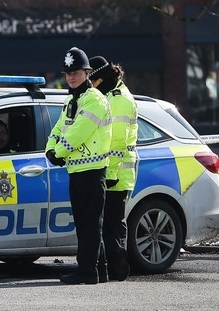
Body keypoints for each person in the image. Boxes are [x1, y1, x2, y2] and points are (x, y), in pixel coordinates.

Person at [45, 47, 112, 285]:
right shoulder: (72, 100)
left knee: (89, 225)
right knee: (87, 223)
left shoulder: (94, 100)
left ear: (87, 73)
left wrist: (59, 151)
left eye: (76, 72)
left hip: (92, 172)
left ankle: (86, 271)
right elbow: (58, 128)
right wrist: (49, 150)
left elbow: (78, 132)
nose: (71, 77)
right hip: (77, 171)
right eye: (68, 73)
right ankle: (100, 270)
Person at [89, 56, 139, 282]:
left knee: (113, 226)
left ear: (104, 78)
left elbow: (117, 143)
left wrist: (109, 175)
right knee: (108, 224)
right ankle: (109, 269)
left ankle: (118, 271)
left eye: (95, 81)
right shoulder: (110, 94)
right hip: (111, 171)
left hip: (116, 174)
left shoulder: (119, 100)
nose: (93, 86)